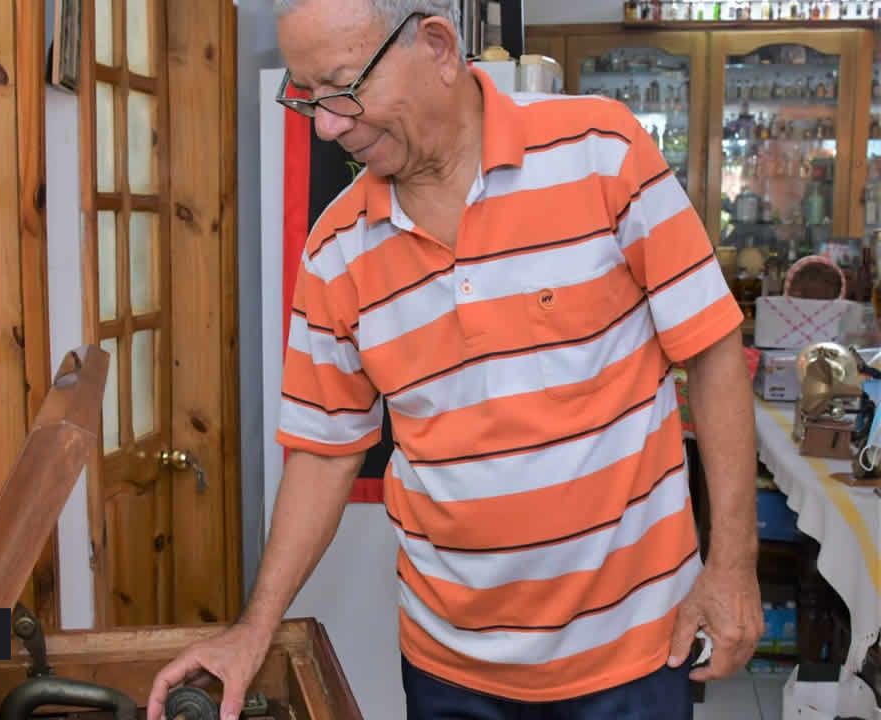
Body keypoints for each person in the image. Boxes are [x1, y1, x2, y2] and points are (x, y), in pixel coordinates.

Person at [146, 1, 762, 718]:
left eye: (344, 88)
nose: (326, 124)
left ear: (437, 46)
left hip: (636, 651)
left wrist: (733, 564)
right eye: (307, 95)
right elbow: (322, 454)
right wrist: (254, 628)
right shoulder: (335, 249)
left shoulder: (602, 149)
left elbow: (713, 350)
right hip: (451, 670)